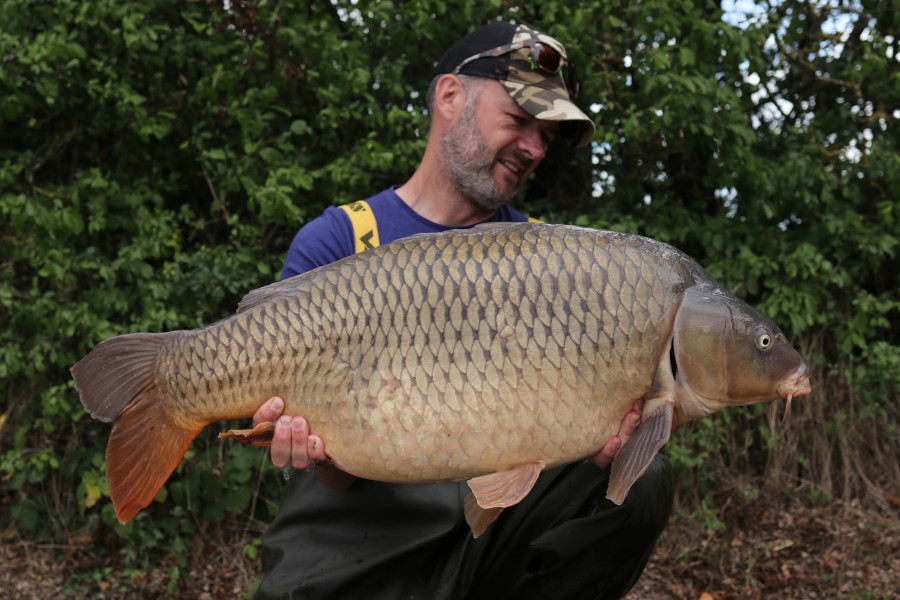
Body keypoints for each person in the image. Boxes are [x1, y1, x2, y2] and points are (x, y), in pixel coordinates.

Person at [251, 22, 675, 599]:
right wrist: (316, 452)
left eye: (546, 135)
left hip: (495, 537)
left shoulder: (557, 266)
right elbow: (321, 462)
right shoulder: (341, 239)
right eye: (520, 121)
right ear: (450, 97)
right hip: (356, 541)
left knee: (644, 479)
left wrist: (598, 448)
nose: (535, 148)